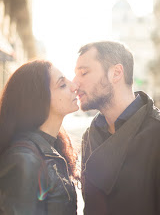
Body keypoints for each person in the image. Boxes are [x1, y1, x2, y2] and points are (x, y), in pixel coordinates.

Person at [73, 41, 160, 215]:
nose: (75, 84)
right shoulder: (90, 135)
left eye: (83, 73)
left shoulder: (156, 133)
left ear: (116, 73)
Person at [0, 60, 79, 214]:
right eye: (62, 85)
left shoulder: (53, 146)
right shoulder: (23, 158)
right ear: (38, 98)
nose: (74, 86)